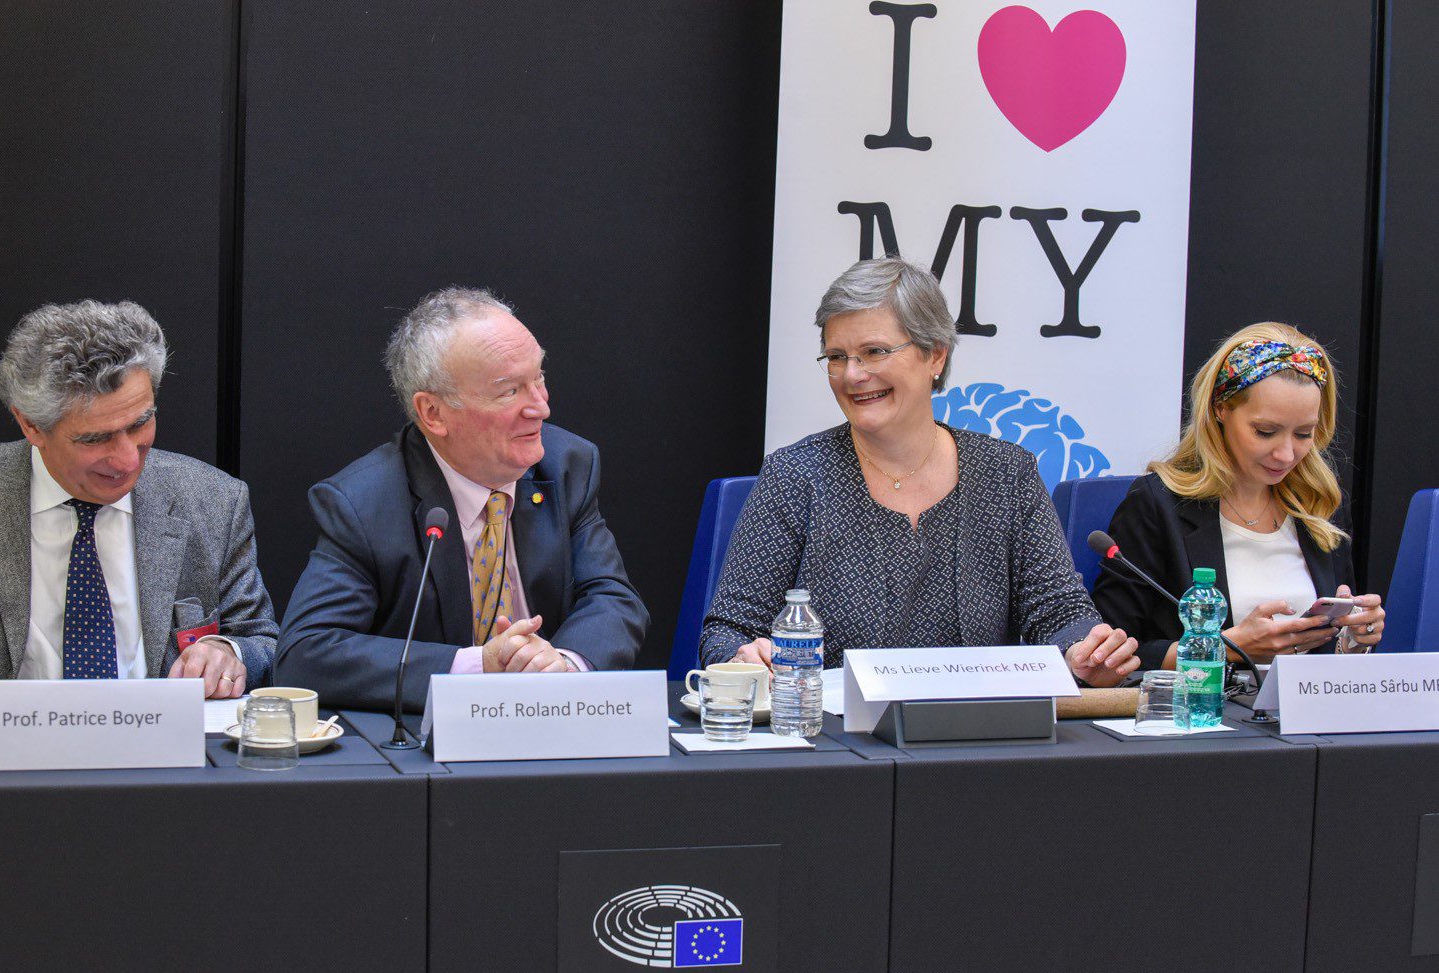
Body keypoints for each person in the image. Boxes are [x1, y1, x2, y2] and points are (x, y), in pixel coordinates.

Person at [699, 257, 1141, 686]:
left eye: (874, 352)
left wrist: (1085, 652)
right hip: (833, 730)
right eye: (836, 357)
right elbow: (727, 632)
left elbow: (1060, 612)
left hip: (973, 730)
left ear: (935, 356)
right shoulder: (795, 476)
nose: (852, 375)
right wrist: (744, 657)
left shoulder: (1007, 474)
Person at [275, 286, 649, 712]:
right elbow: (306, 653)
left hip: (551, 719)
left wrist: (562, 665)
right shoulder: (365, 503)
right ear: (433, 413)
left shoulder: (567, 466)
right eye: (509, 391)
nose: (541, 408)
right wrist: (477, 667)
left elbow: (612, 597)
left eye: (539, 378)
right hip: (429, 743)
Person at [0, 300, 278, 708]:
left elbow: (261, 639)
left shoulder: (212, 500)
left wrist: (228, 653)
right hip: (2, 743)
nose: (128, 460)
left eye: (140, 424)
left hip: (159, 742)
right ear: (31, 425)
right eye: (95, 439)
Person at [1092, 323, 1385, 668]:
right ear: (1221, 408)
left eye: (1304, 434)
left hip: (1303, 703)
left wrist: (1353, 639)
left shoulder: (1319, 504)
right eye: (1265, 432)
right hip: (1203, 701)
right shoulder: (1157, 505)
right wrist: (1222, 648)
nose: (1286, 455)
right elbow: (1106, 657)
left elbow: (1328, 658)